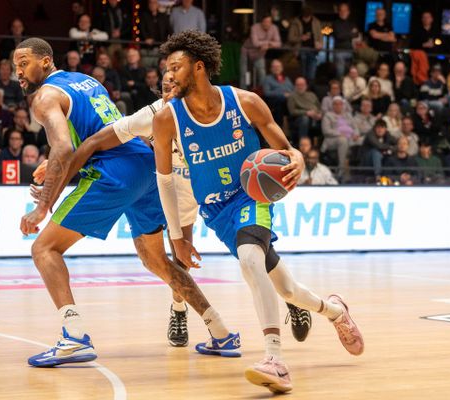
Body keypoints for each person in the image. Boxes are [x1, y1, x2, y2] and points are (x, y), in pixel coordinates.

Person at [31, 72, 313, 349]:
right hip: (177, 188)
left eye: (175, 88)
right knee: (179, 255)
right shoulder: (155, 115)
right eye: (165, 89)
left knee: (252, 249)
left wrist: (290, 157)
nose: (170, 94)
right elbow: (101, 139)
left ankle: (291, 297)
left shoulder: (207, 109)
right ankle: (179, 311)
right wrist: (60, 162)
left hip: (214, 184)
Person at [153, 30, 364, 394]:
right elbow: (165, 181)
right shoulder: (166, 118)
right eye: (167, 69)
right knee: (287, 288)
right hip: (216, 210)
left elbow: (286, 150)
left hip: (251, 196)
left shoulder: (245, 102)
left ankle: (274, 360)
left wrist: (297, 158)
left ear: (199, 67)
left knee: (251, 260)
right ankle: (334, 311)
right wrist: (176, 237)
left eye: (176, 67)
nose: (169, 75)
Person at [14, 37, 240, 367]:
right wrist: (55, 162)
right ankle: (220, 331)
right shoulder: (85, 81)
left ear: (45, 61)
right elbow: (93, 130)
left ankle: (74, 337)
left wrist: (43, 205)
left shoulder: (44, 96)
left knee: (44, 249)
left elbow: (64, 147)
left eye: (24, 64)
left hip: (113, 173)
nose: (18, 72)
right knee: (155, 260)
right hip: (144, 165)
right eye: (15, 66)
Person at [240, 15, 282, 89]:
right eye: (265, 21)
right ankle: (243, 91)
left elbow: (278, 43)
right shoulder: (254, 27)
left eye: (269, 22)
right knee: (245, 73)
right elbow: (255, 43)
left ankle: (261, 92)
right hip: (247, 52)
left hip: (259, 54)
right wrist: (269, 43)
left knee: (262, 73)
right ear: (262, 22)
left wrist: (268, 45)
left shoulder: (274, 28)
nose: (267, 23)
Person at [287, 6, 322, 82]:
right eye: (305, 17)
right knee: (302, 74)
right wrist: (301, 38)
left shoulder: (316, 22)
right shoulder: (295, 22)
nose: (306, 19)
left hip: (313, 51)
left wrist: (320, 44)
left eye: (308, 17)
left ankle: (309, 88)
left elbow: (320, 37)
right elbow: (290, 38)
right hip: (300, 50)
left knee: (311, 75)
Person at [140, 0, 172, 68]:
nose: (152, 5)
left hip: (161, 47)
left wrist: (167, 42)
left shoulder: (163, 16)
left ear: (157, 4)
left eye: (154, 3)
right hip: (148, 48)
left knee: (161, 67)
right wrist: (146, 38)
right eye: (150, 3)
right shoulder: (144, 16)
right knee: (147, 66)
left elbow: (169, 31)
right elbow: (142, 29)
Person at [262, 59, 294, 127]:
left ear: (281, 68)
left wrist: (289, 94)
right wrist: (282, 94)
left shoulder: (286, 79)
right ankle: (279, 128)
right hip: (275, 103)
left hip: (289, 101)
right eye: (274, 66)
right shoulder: (267, 79)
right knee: (280, 101)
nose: (276, 68)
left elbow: (293, 90)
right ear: (271, 69)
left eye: (278, 66)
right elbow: (267, 93)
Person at [332, 2, 358, 78]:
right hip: (339, 51)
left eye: (345, 10)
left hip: (351, 51)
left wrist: (345, 34)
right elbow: (339, 36)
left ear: (348, 12)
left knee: (356, 67)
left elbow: (356, 35)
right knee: (340, 69)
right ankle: (340, 82)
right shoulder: (335, 23)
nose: (343, 12)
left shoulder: (352, 23)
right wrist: (350, 33)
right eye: (341, 10)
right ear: (339, 12)